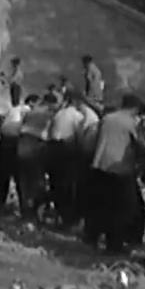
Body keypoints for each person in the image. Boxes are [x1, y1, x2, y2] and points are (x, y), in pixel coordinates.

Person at [84, 94, 145, 254]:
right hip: (120, 172)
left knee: (100, 206)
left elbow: (92, 142)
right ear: (135, 109)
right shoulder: (131, 123)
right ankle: (114, 245)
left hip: (99, 167)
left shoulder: (106, 119)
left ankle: (92, 239)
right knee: (122, 210)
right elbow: (143, 149)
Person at [46, 90, 91, 227]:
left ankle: (58, 214)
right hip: (67, 152)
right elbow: (80, 138)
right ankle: (68, 219)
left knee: (56, 183)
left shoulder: (59, 114)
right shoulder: (77, 116)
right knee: (69, 186)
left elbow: (50, 133)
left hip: (53, 150)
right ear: (76, 102)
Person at [16, 93, 57, 221]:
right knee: (37, 180)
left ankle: (24, 210)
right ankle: (35, 212)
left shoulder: (32, 111)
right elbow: (52, 134)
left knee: (23, 179)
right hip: (36, 145)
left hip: (21, 143)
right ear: (51, 103)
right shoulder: (49, 114)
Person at [0, 94, 37, 214]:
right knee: (20, 179)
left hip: (3, 143)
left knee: (3, 178)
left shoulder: (14, 109)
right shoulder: (28, 111)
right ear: (32, 103)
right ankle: (24, 209)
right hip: (15, 144)